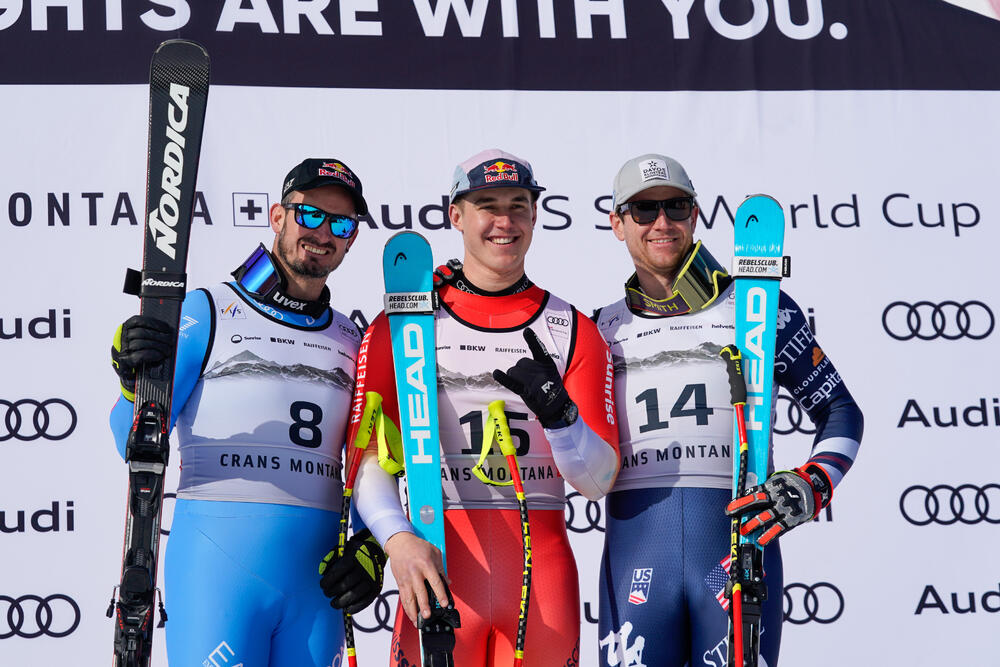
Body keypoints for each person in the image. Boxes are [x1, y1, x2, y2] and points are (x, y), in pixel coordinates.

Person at [347, 149, 620, 666]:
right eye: (486, 205)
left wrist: (562, 421)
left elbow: (597, 481)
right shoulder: (403, 323)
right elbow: (365, 462)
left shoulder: (574, 328)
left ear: (536, 214)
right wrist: (397, 538)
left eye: (519, 205)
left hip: (543, 580)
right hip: (438, 564)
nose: (504, 221)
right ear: (456, 216)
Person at [109, 158, 385, 666]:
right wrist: (133, 383)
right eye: (311, 215)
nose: (325, 233)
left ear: (351, 240)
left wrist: (371, 548)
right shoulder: (205, 309)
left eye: (342, 224)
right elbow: (127, 438)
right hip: (218, 570)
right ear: (278, 216)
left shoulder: (355, 340)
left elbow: (373, 464)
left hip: (315, 586)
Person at [593, 154, 864, 667]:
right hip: (636, 561)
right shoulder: (599, 329)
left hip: (737, 552)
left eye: (675, 206)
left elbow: (840, 411)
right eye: (644, 210)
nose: (662, 222)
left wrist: (815, 480)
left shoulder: (759, 306)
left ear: (695, 214)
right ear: (617, 223)